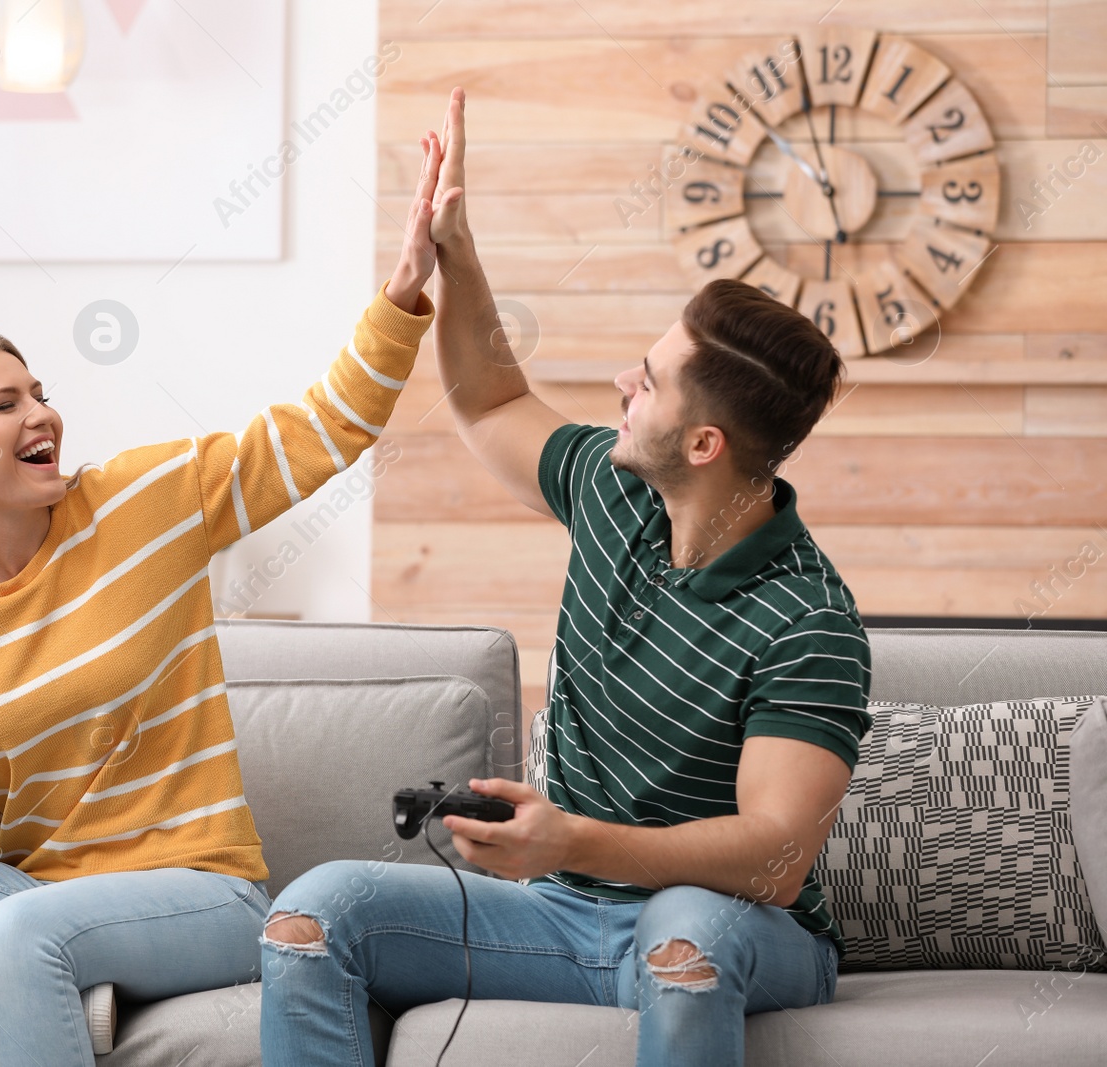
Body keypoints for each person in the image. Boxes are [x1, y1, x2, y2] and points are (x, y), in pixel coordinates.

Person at [0, 138, 450, 1067]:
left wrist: (403, 294)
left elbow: (323, 430)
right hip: (27, 895)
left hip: (197, 893)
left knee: (31, 935)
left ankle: (22, 965)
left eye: (41, 394)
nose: (42, 416)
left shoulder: (145, 501)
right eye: (5, 403)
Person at [259, 88, 872, 1067]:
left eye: (648, 381)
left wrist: (568, 838)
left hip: (729, 929)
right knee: (313, 914)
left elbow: (773, 852)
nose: (621, 387)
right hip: (555, 915)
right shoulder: (614, 490)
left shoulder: (806, 619)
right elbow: (491, 392)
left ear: (704, 442)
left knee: (685, 935)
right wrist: (455, 245)